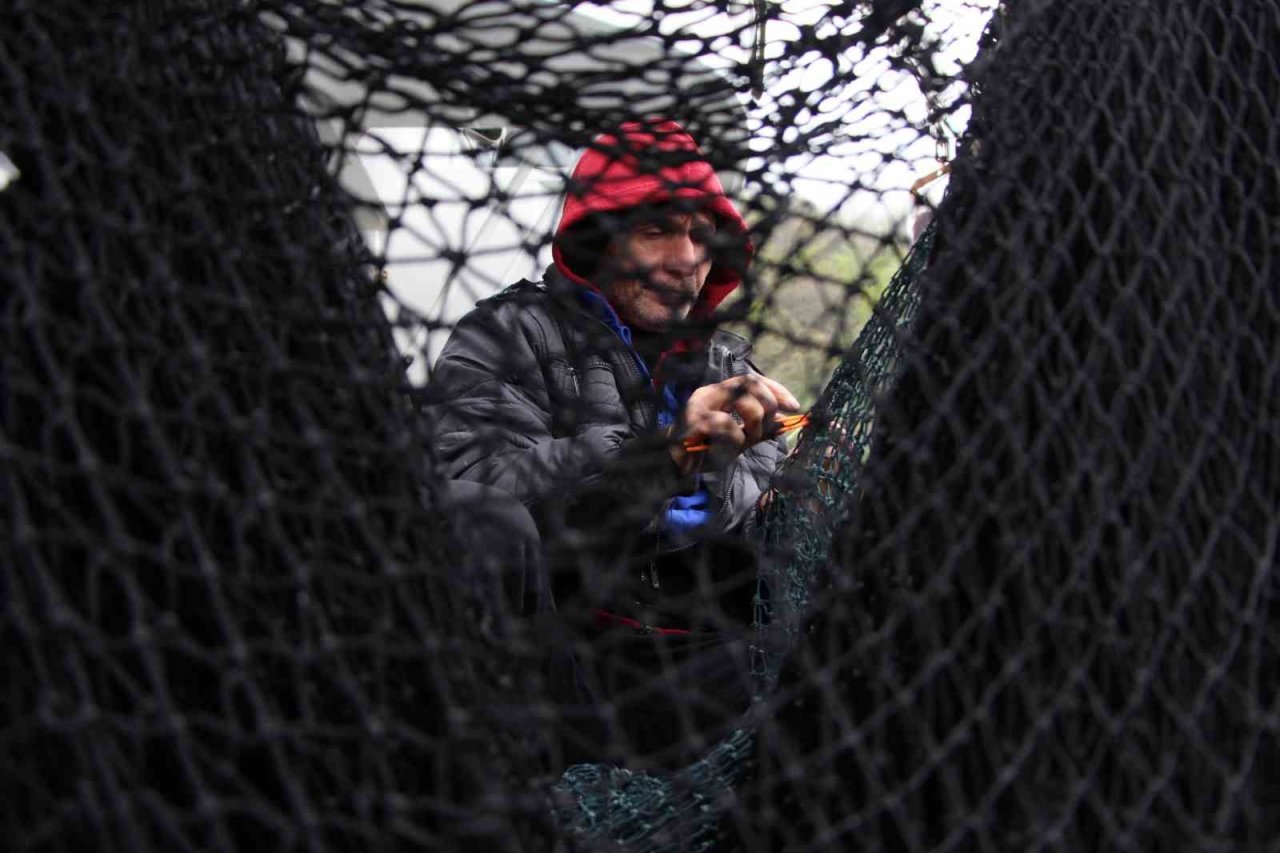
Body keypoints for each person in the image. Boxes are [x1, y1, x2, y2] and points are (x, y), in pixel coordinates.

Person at [427, 118, 798, 767]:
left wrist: (802, 470)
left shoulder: (735, 373)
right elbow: (479, 489)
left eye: (700, 236)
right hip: (551, 663)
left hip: (687, 671)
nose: (684, 258)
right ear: (598, 238)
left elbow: (722, 514)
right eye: (654, 229)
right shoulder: (505, 332)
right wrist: (657, 454)